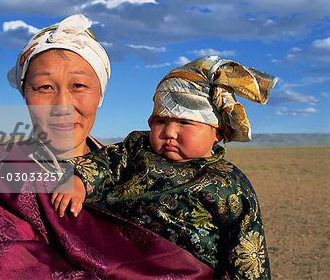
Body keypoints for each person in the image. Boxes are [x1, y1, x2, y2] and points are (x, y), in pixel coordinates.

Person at [0, 14, 214, 279]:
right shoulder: (2, 170)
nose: (62, 105)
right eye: (44, 87)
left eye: (79, 86)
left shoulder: (134, 166)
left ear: (99, 96)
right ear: (25, 93)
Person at [52, 56, 277, 279]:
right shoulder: (136, 149)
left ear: (217, 133)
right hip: (114, 258)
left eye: (185, 122)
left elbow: (246, 252)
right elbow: (106, 163)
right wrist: (78, 180)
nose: (169, 132)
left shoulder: (228, 184)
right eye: (160, 121)